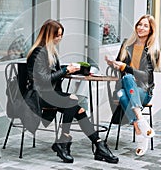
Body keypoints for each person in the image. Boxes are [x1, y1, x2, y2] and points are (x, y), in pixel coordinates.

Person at [26, 19, 119, 164]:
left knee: (79, 109)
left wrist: (71, 69)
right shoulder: (38, 52)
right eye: (57, 35)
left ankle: (98, 144)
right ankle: (66, 142)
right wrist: (65, 71)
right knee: (73, 100)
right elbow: (42, 79)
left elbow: (51, 72)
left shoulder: (49, 52)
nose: (59, 39)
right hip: (38, 96)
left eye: (61, 35)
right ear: (48, 35)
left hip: (50, 94)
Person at [105, 14, 161, 156]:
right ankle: (141, 126)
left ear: (151, 30)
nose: (141, 28)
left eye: (145, 26)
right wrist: (113, 64)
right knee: (123, 91)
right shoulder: (126, 44)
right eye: (139, 24)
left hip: (143, 91)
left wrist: (125, 68)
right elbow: (119, 66)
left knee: (127, 79)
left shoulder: (151, 50)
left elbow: (146, 76)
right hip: (124, 89)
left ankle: (138, 126)